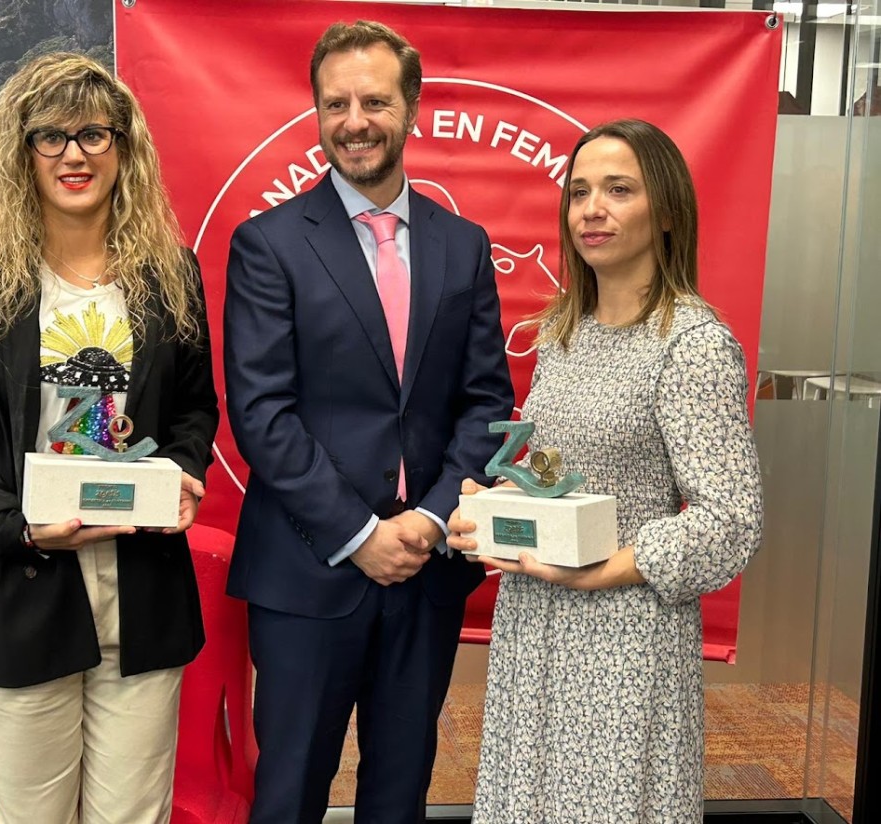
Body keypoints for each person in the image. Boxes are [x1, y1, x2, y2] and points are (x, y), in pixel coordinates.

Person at [0, 53, 218, 824]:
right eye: (49, 136)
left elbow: (192, 412)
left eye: (92, 133)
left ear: (124, 149)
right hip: (18, 592)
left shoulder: (170, 275)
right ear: (22, 153)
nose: (73, 154)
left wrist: (176, 473)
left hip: (140, 596)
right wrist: (17, 528)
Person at [223, 20, 514, 824]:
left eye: (375, 101)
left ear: (411, 107)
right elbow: (260, 412)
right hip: (307, 571)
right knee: (287, 795)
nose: (355, 120)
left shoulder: (463, 247)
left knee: (399, 794)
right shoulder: (268, 245)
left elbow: (486, 401)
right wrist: (359, 533)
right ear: (316, 113)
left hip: (426, 572)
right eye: (336, 103)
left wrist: (427, 517)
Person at [449, 119, 764, 823]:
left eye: (618, 190)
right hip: (535, 624)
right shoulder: (563, 333)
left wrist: (606, 569)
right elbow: (558, 474)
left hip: (624, 642)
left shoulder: (692, 346)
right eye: (580, 191)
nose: (591, 209)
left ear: (667, 213)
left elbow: (730, 523)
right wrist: (500, 500)